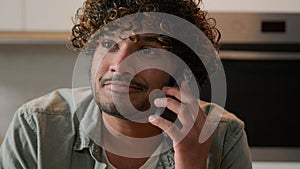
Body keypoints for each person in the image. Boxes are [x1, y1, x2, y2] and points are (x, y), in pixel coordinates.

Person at [0, 0, 252, 168]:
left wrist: (192, 162)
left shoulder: (224, 136)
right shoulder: (37, 128)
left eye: (147, 50)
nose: (120, 65)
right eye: (109, 44)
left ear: (180, 66)